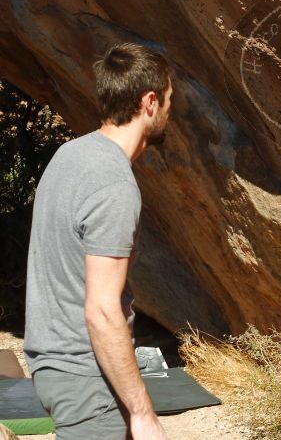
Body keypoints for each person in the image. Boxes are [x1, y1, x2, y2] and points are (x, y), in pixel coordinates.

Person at [23, 42, 173, 439]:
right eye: (170, 100)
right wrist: (142, 412)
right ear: (150, 101)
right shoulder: (113, 184)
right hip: (87, 380)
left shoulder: (69, 155)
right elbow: (102, 310)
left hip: (57, 368)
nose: (171, 112)